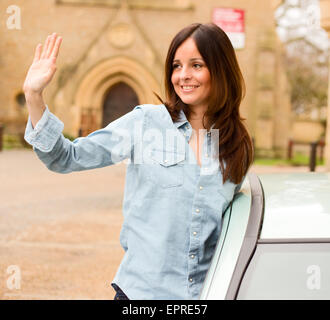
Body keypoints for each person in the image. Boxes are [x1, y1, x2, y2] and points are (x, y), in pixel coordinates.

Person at [23, 23, 253, 300]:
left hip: (206, 295)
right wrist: (34, 97)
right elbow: (65, 157)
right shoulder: (146, 123)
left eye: (196, 65)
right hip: (140, 294)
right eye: (176, 66)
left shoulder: (237, 145)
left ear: (221, 69)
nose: (183, 76)